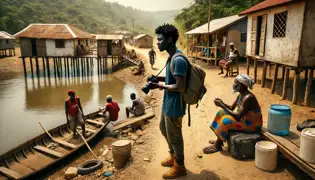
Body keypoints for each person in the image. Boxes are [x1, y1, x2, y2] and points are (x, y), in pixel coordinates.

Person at [148, 23, 188, 179]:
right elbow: (172, 78)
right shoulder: (171, 57)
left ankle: (180, 166)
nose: (157, 43)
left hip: (175, 106)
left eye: (160, 40)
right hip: (167, 103)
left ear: (170, 40)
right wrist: (157, 80)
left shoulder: (178, 59)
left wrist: (160, 85)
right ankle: (173, 156)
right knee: (164, 130)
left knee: (175, 136)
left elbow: (180, 86)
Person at [203, 74, 263, 154]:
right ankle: (219, 139)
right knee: (221, 113)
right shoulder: (241, 95)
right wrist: (222, 102)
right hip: (244, 120)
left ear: (242, 85)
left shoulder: (248, 98)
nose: (234, 84)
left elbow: (238, 116)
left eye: (236, 83)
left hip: (251, 126)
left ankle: (217, 145)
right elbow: (231, 107)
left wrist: (222, 105)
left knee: (226, 120)